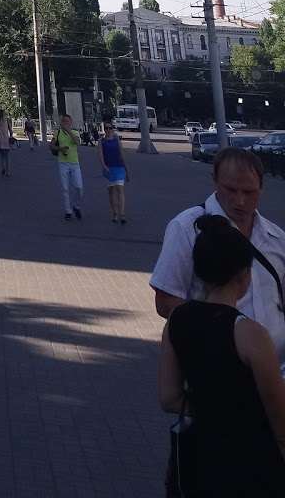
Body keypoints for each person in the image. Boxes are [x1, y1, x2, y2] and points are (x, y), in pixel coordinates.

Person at [157, 214, 285, 495]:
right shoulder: (250, 333)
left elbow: (168, 398)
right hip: (250, 461)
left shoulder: (177, 320)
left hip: (197, 457)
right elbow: (278, 414)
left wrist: (211, 408)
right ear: (244, 275)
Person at [152, 147, 285, 367]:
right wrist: (220, 336)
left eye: (249, 192)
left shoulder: (277, 238)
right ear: (215, 181)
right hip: (219, 371)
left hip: (277, 371)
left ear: (261, 188)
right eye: (231, 190)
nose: (239, 201)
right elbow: (165, 302)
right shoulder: (186, 228)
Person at [51, 110, 84, 220]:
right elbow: (51, 146)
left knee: (79, 187)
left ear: (71, 122)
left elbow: (78, 142)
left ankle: (76, 206)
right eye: (64, 121)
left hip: (75, 163)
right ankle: (68, 211)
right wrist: (60, 148)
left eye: (67, 121)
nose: (65, 123)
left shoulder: (75, 132)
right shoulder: (58, 133)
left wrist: (69, 131)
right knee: (65, 188)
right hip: (63, 163)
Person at [98, 121, 129, 224]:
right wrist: (104, 166)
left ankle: (122, 214)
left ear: (112, 129)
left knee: (120, 189)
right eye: (106, 128)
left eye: (110, 128)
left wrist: (126, 169)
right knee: (111, 191)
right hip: (109, 168)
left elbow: (122, 154)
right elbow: (100, 155)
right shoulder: (101, 141)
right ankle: (115, 213)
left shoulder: (117, 140)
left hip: (119, 167)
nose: (108, 130)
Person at [0, 108, 13, 177]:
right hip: (6, 140)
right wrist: (11, 136)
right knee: (7, 157)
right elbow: (11, 131)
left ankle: (3, 168)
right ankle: (8, 172)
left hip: (0, 140)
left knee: (2, 156)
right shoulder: (7, 120)